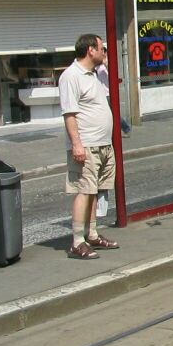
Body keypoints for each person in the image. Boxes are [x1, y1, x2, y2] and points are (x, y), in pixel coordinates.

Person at [58, 34, 119, 260]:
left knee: (95, 190)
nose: (105, 53)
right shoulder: (71, 76)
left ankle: (92, 234)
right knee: (84, 190)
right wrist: (77, 144)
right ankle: (77, 241)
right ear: (90, 50)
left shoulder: (95, 74)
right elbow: (69, 113)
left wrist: (106, 65)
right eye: (102, 49)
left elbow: (113, 87)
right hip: (87, 145)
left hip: (103, 143)